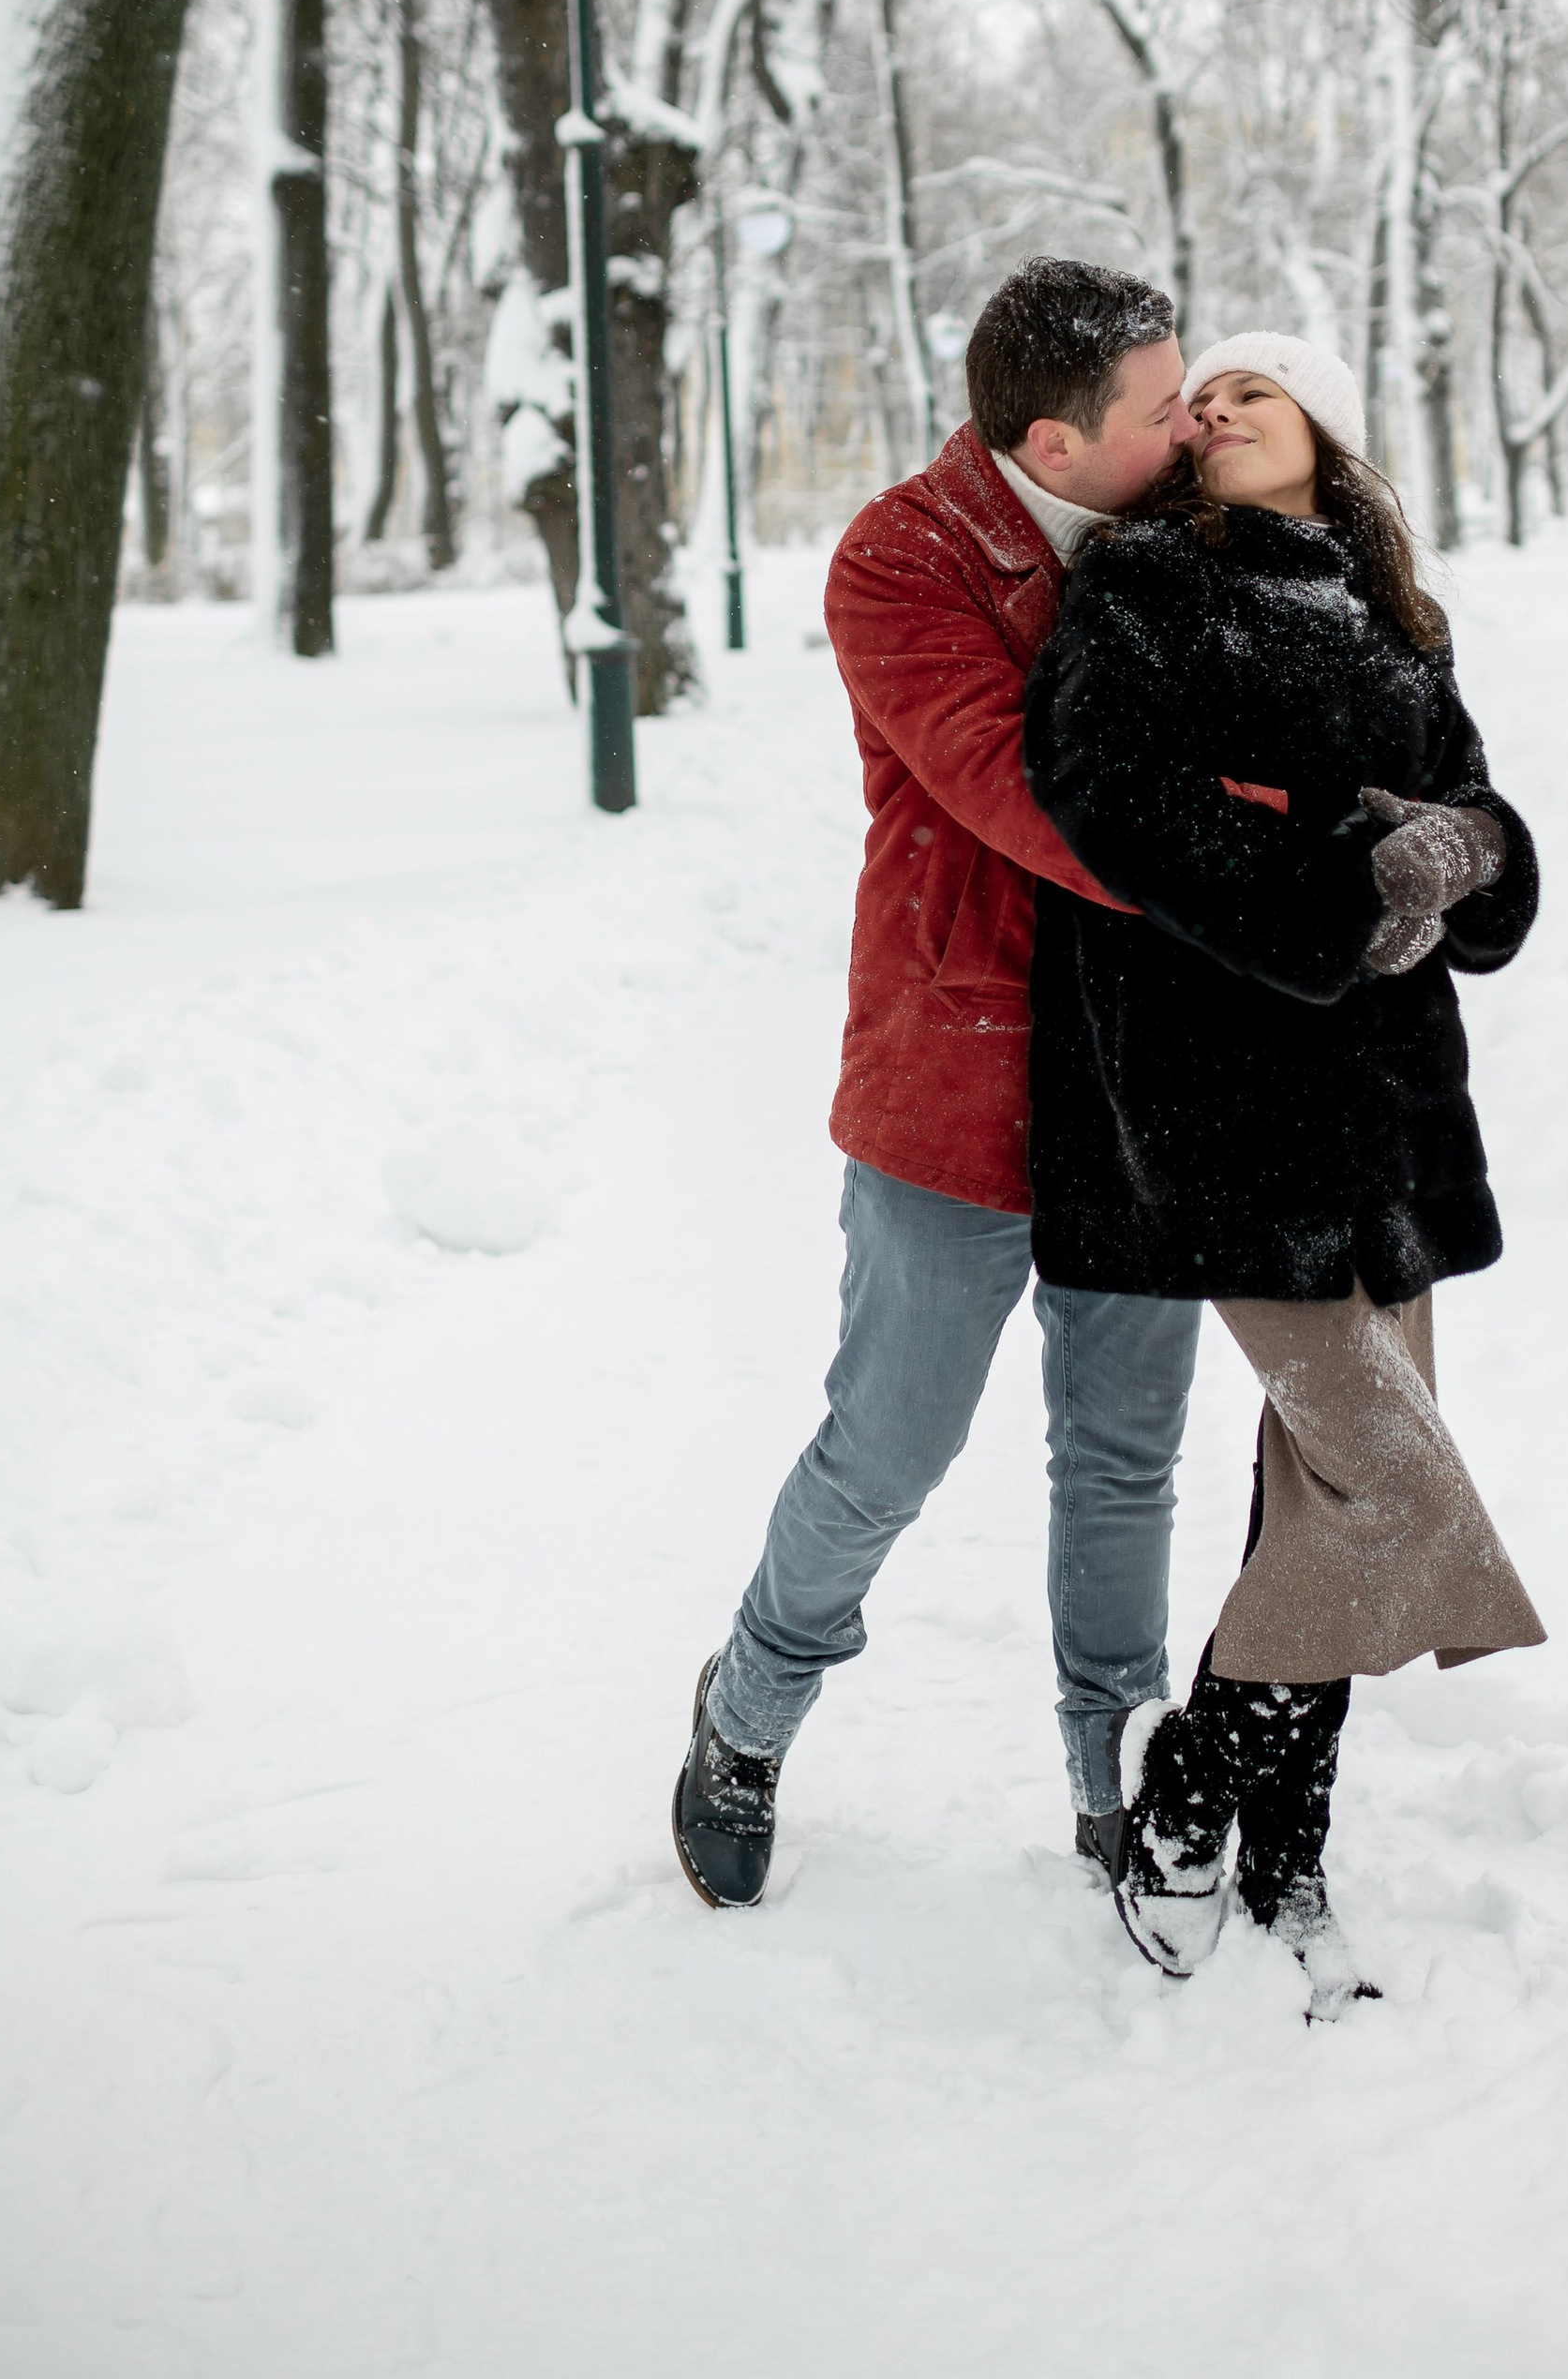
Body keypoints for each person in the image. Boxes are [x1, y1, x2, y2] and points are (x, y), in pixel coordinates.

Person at [1021, 330, 1545, 2017]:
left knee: (1317, 1503)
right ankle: (1187, 1788)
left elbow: (1473, 816)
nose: (1221, 407)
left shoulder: (1396, 610)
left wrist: (1459, 854)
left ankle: (1286, 1848)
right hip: (1220, 1104)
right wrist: (1343, 875)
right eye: (1205, 395)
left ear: (1325, 422)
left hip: (1388, 1107)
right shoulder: (1146, 585)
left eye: (1258, 385)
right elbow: (1113, 798)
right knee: (1391, 1488)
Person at [672, 260, 1207, 1908]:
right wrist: (1270, 858)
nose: (1192, 424)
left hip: (1145, 1084)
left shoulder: (1193, 526)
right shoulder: (901, 560)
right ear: (1054, 444)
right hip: (955, 1075)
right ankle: (748, 1710)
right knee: (888, 1450)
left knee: (1122, 1458)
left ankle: (1111, 1753)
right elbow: (1035, 791)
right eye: (1159, 408)